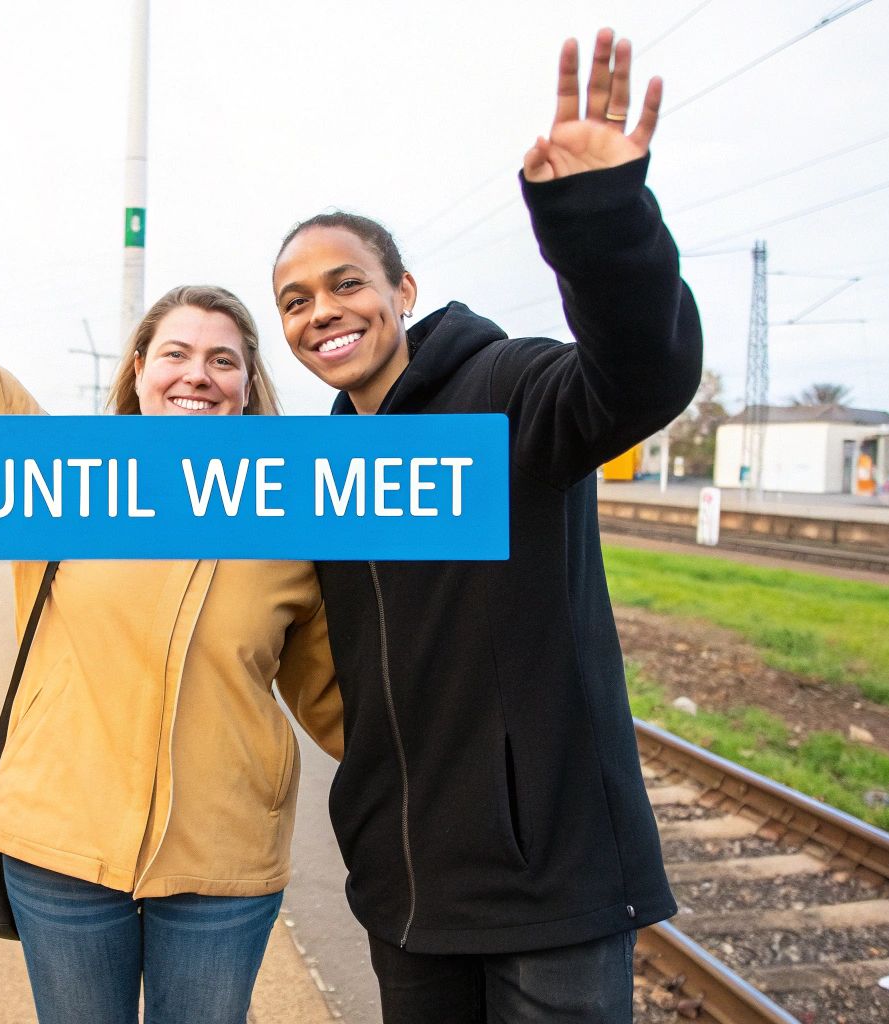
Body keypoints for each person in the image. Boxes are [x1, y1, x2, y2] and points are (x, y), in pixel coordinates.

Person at [0, 72, 344, 1024]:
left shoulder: (297, 516)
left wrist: (468, 783)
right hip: (58, 849)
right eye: (175, 353)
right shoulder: (65, 479)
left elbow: (336, 694)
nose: (196, 375)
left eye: (222, 360)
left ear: (249, 387)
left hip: (225, 860)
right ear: (139, 370)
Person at [270, 30, 700, 1022]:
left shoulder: (503, 389)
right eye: (293, 300)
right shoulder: (314, 472)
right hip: (402, 892)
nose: (320, 312)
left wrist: (598, 219)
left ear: (400, 293)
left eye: (344, 283)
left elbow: (643, 372)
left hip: (547, 889)